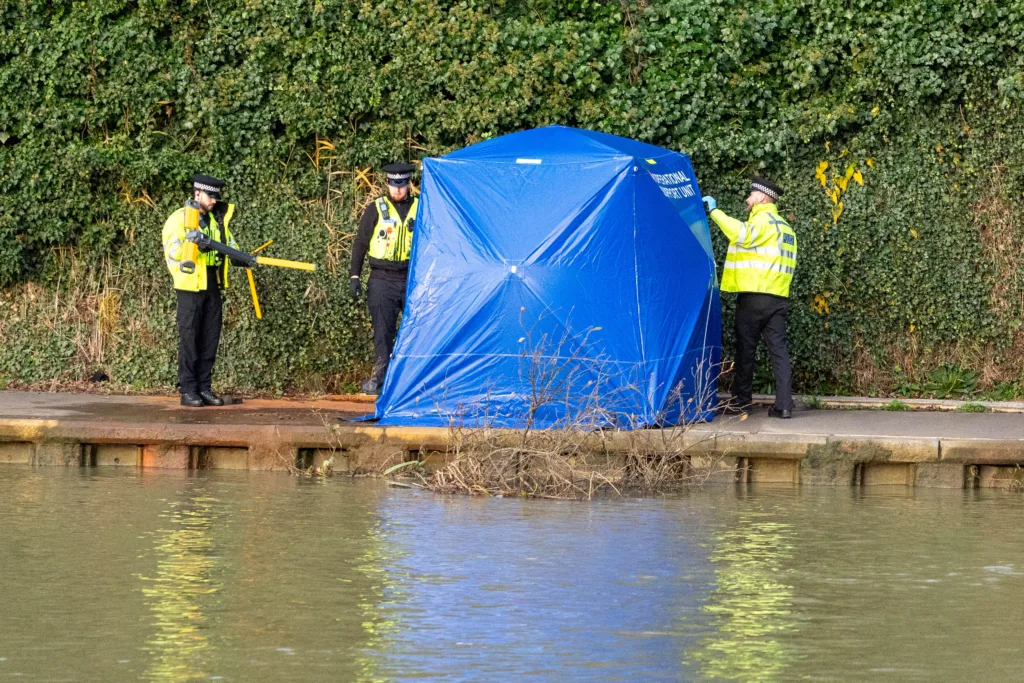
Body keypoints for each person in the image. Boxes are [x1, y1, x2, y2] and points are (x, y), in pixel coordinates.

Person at [702, 177, 798, 418]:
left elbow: (740, 233)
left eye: (752, 194)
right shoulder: (786, 228)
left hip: (754, 296)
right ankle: (784, 405)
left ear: (763, 197)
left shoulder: (762, 221)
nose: (747, 199)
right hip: (778, 297)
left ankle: (742, 402)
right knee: (779, 351)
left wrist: (714, 211)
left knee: (746, 349)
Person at [162, 174, 247, 407]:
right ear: (197, 194)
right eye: (210, 197)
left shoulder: (215, 220)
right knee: (190, 338)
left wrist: (242, 257)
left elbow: (230, 244)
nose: (213, 202)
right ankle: (188, 390)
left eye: (216, 197)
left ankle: (204, 388)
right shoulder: (178, 220)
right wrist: (194, 245)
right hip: (189, 286)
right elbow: (173, 253)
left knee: (210, 337)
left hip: (212, 283)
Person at [349, 162, 418, 395]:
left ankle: (411, 382)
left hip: (411, 278)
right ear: (387, 183)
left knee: (415, 330)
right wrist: (355, 276)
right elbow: (360, 243)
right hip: (381, 278)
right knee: (383, 333)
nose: (398, 189)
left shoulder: (421, 208)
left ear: (409, 183)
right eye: (393, 184)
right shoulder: (376, 208)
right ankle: (380, 382)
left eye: (402, 184)